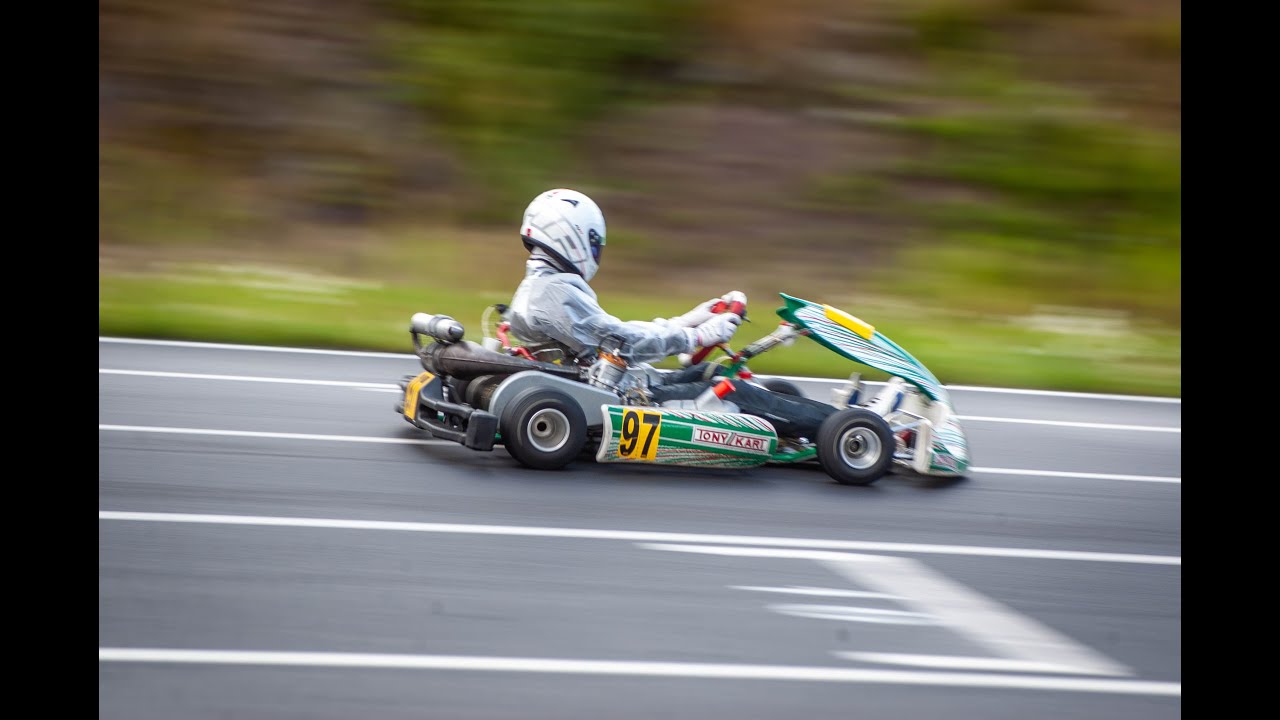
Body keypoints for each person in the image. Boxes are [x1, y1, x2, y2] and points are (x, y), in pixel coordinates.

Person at [506, 188, 838, 441]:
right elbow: (623, 343)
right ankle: (840, 427)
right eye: (594, 242)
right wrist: (696, 336)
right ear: (570, 234)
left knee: (710, 372)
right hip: (623, 397)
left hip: (614, 383)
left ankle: (815, 423)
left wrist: (684, 322)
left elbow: (611, 334)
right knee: (734, 391)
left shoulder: (542, 286)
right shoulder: (554, 292)